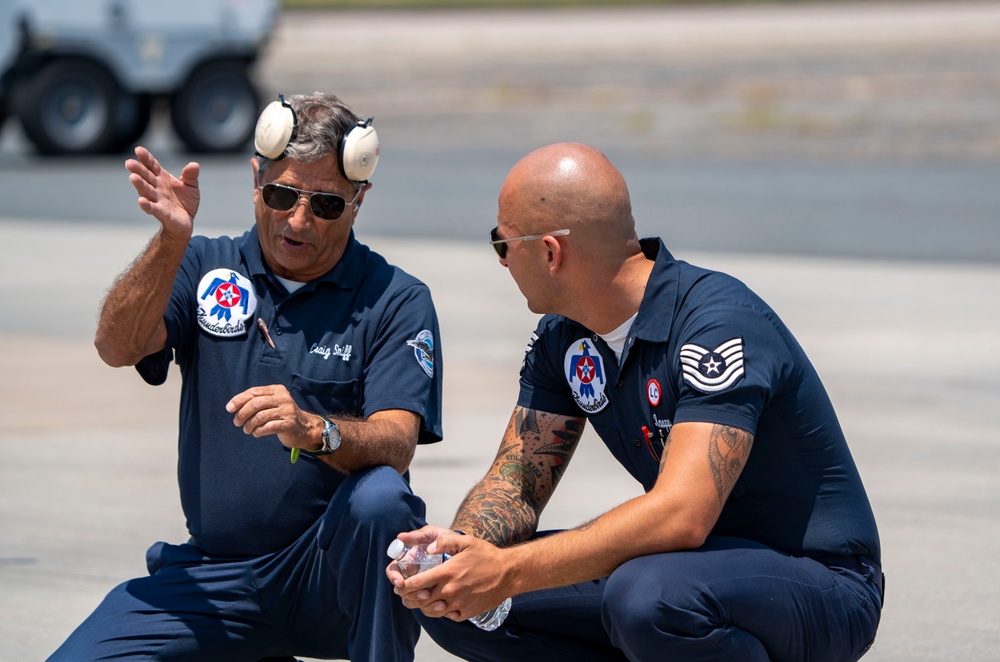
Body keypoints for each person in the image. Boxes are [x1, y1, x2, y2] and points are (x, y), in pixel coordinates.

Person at [388, 143, 882, 662]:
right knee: (467, 608)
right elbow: (516, 482)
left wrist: (507, 571)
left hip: (821, 583)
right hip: (680, 571)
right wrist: (460, 556)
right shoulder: (563, 337)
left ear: (551, 253)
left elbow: (680, 516)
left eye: (502, 242)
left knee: (648, 598)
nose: (502, 258)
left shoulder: (716, 324)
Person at [50, 93, 443, 662]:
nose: (299, 220)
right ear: (256, 180)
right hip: (215, 576)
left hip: (325, 579)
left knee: (381, 500)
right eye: (282, 195)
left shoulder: (396, 299)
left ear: (359, 202)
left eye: (326, 205)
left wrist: (316, 430)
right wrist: (171, 241)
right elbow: (116, 346)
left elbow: (397, 442)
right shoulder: (203, 263)